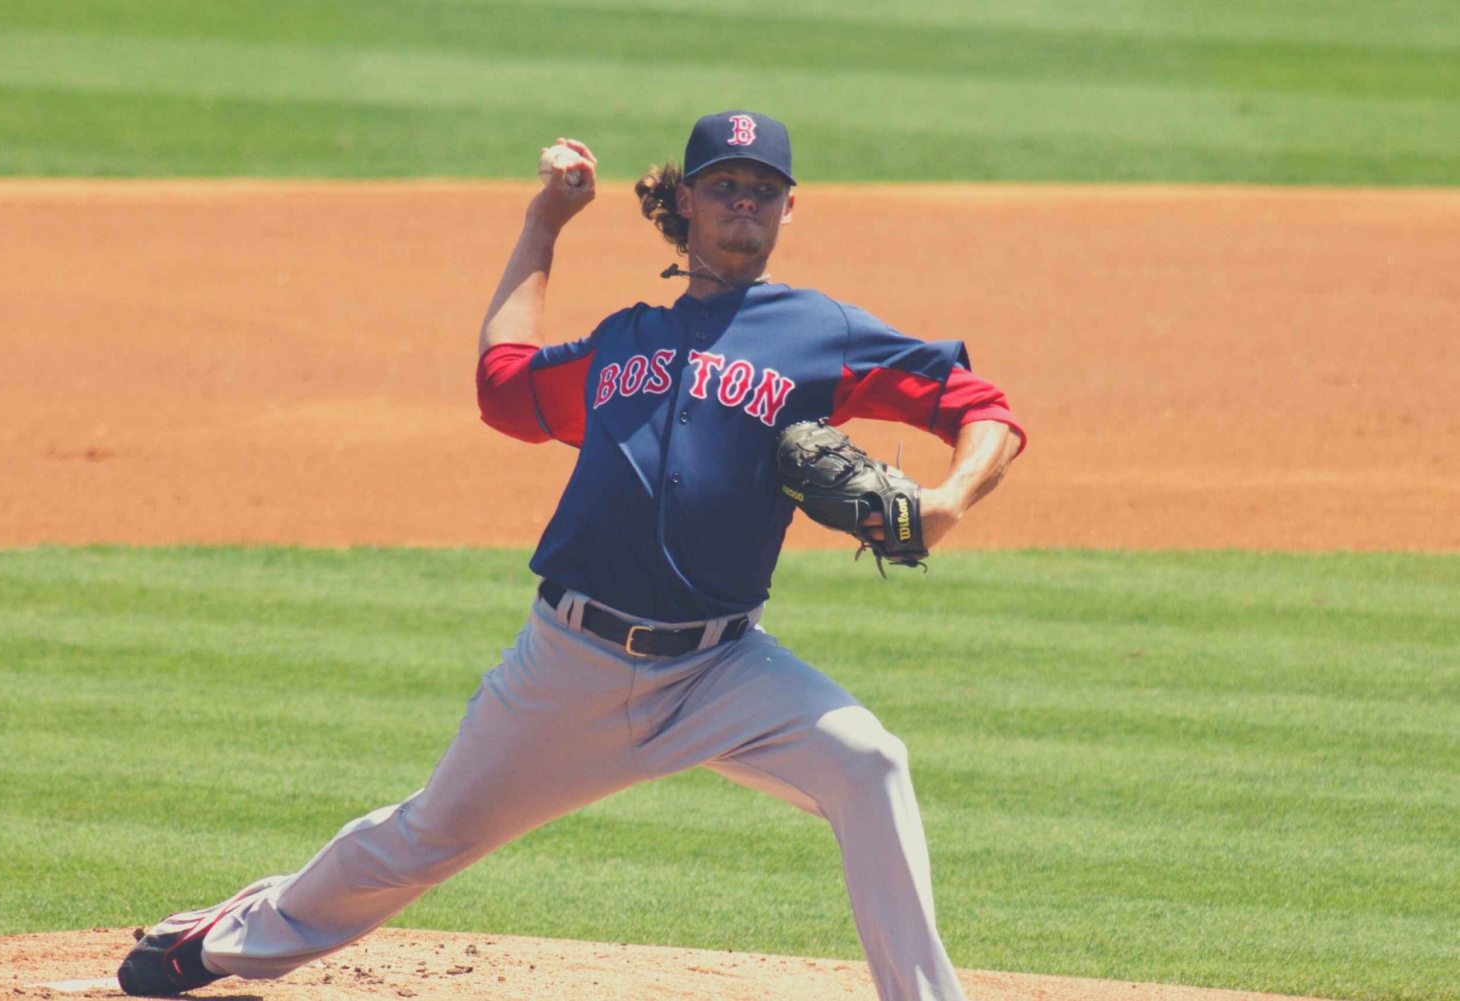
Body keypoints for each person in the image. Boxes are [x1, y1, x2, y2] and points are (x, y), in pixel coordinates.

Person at [118, 110, 1026, 1001]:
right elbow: (503, 387)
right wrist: (543, 223)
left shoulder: (822, 333)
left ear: (791, 209)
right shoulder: (623, 340)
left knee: (869, 761)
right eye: (725, 186)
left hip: (722, 669)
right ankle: (223, 943)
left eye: (764, 189)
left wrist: (946, 501)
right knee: (425, 835)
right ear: (689, 203)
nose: (745, 200)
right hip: (572, 665)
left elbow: (983, 407)